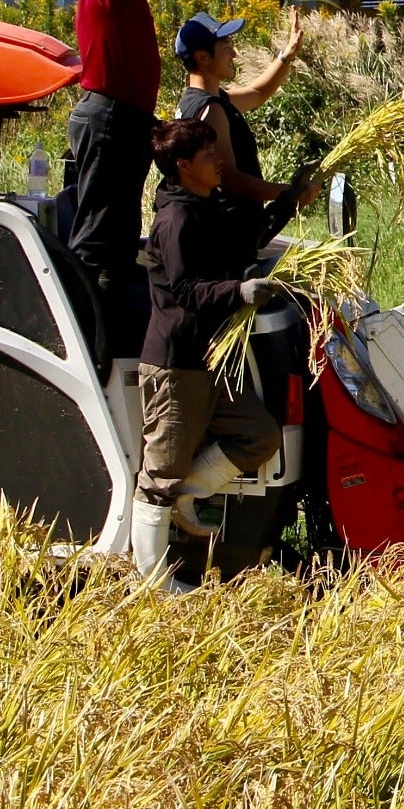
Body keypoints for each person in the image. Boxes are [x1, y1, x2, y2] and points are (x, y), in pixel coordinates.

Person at [131, 117, 285, 582]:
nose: (219, 161)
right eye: (207, 156)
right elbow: (186, 290)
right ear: (182, 166)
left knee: (259, 436)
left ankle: (187, 497)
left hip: (211, 360)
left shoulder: (205, 206)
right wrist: (239, 292)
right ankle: (152, 585)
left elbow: (242, 241)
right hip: (177, 367)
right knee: (158, 479)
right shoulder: (176, 219)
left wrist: (290, 201)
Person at [66, 0, 174, 346]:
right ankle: (89, 335)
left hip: (124, 120)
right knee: (99, 236)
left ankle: (107, 323)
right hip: (108, 117)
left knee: (119, 231)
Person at [169, 3, 312, 228]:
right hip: (230, 236)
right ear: (202, 57)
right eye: (225, 45)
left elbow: (257, 93)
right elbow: (230, 180)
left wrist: (287, 54)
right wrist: (289, 192)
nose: (233, 53)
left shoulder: (207, 100)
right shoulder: (210, 111)